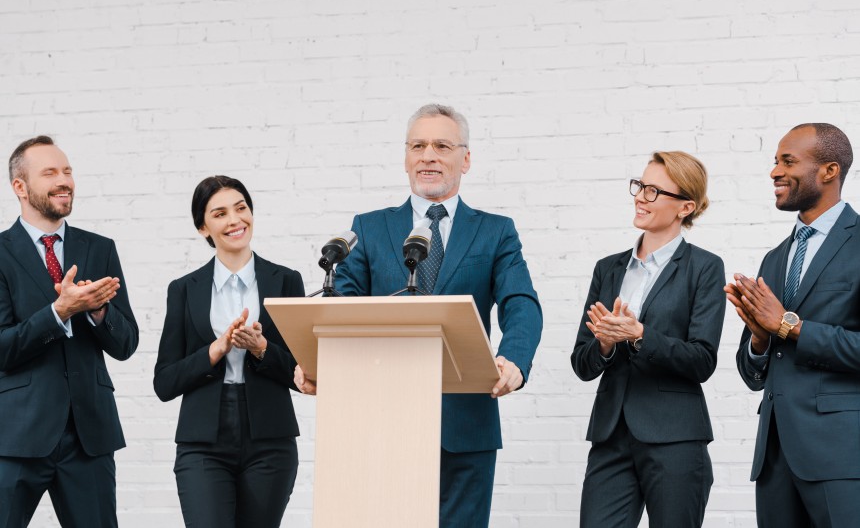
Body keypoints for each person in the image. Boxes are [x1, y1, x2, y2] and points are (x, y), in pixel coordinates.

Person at [295, 103, 542, 527]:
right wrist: (320, 362)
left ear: (465, 159)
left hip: (465, 424)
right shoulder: (369, 228)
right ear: (406, 157)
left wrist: (515, 358)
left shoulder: (496, 230)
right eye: (418, 145)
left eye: (442, 145)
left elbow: (521, 301)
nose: (428, 155)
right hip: (380, 419)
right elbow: (343, 307)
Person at [571, 151, 724, 528]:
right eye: (640, 186)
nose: (640, 196)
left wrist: (640, 336)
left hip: (675, 436)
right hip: (611, 435)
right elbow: (581, 362)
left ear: (685, 207)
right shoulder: (608, 268)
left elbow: (702, 360)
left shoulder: (705, 268)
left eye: (654, 190)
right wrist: (605, 344)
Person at [0, 136, 138, 527]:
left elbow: (126, 343)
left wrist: (97, 310)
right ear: (20, 187)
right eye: (50, 173)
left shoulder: (99, 248)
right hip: (15, 436)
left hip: (89, 436)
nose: (64, 181)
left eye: (67, 171)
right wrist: (58, 312)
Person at [727, 123, 860, 527]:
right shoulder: (775, 258)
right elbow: (755, 374)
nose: (774, 172)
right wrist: (759, 339)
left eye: (788, 161)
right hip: (775, 460)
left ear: (829, 171)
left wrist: (788, 325)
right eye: (774, 162)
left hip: (841, 457)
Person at [153, 176, 303, 528]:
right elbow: (164, 382)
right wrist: (216, 349)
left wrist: (262, 349)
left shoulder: (286, 280)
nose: (235, 220)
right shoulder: (183, 290)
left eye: (241, 208)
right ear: (203, 227)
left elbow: (302, 373)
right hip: (202, 440)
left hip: (270, 438)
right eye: (220, 214)